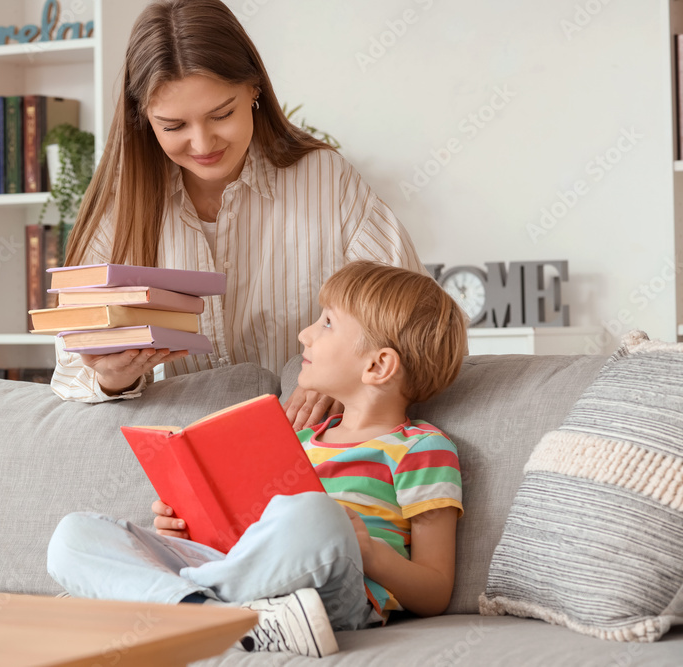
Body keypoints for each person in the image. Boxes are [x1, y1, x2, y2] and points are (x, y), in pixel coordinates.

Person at [47, 261, 468, 658]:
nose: (305, 334)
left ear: (378, 365)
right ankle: (211, 616)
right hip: (246, 578)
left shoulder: (422, 449)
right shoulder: (296, 439)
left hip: (338, 593)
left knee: (315, 513)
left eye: (326, 323)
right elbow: (248, 540)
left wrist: (370, 551)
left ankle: (152, 600)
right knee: (73, 535)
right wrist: (191, 527)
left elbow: (435, 591)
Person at [50, 0, 424, 429]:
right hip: (184, 446)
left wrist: (345, 373)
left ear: (254, 88)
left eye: (221, 114)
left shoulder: (325, 178)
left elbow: (416, 319)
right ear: (144, 119)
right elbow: (70, 371)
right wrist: (111, 378)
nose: (202, 143)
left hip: (311, 445)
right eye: (173, 126)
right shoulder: (122, 207)